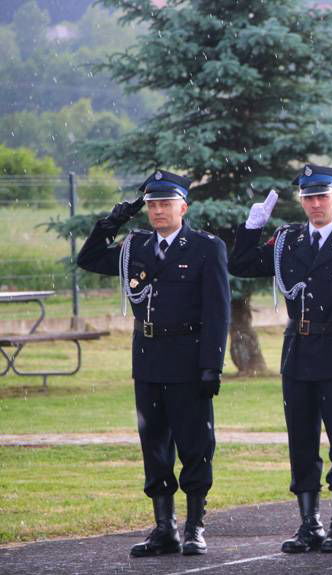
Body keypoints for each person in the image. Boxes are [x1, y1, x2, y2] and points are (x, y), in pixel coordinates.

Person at [77, 170, 230, 557]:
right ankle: (165, 528)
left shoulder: (205, 247)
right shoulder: (136, 247)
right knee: (154, 445)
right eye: (152, 205)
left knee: (195, 445)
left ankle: (195, 525)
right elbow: (90, 258)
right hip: (148, 358)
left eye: (166, 203)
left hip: (188, 358)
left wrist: (211, 364)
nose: (159, 211)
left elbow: (218, 311)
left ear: (183, 206)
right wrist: (114, 220)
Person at [228, 165, 332, 554]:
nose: (315, 204)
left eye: (322, 197)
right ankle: (309, 522)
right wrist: (251, 227)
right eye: (308, 198)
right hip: (298, 350)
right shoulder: (287, 240)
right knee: (301, 440)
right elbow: (240, 265)